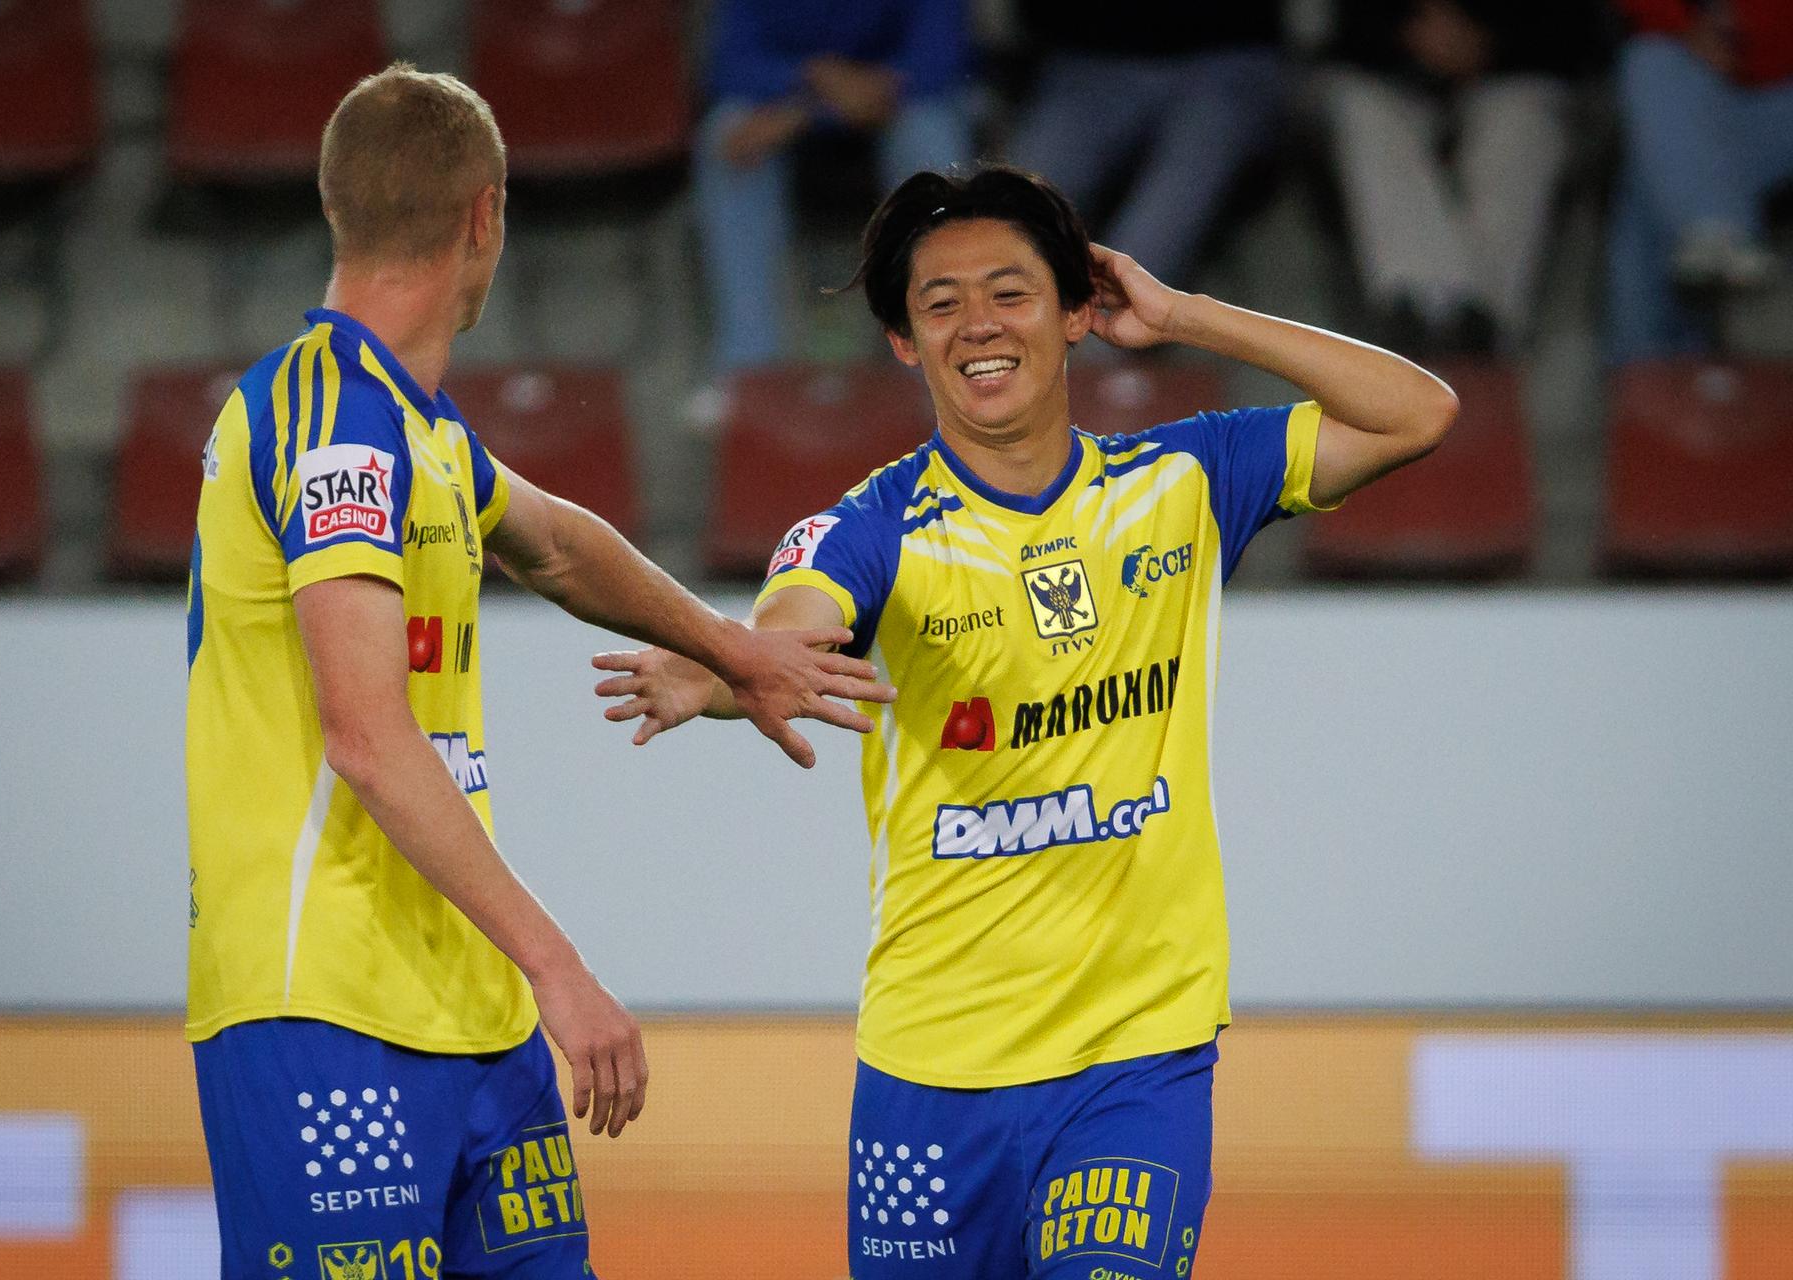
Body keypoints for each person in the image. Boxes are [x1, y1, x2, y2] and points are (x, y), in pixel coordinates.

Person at [592, 165, 1456, 1278]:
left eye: (1010, 292)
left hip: (1134, 1058)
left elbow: (1420, 411)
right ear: (904, 343)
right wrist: (728, 664)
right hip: (928, 1072)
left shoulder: (1182, 481)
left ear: (1077, 311)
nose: (977, 326)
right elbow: (797, 632)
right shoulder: (867, 527)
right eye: (939, 304)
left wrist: (1186, 314)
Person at [183, 64, 893, 1280]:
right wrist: (560, 967)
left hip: (471, 1005)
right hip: (321, 1009)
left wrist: (736, 651)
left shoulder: (423, 431)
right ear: (484, 217)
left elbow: (555, 540)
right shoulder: (333, 421)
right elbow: (364, 733)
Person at [694, 0, 972, 375]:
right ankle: (748, 368)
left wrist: (841, 95)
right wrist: (814, 86)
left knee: (933, 137)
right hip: (788, 108)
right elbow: (730, 66)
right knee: (727, 136)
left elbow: (941, 62)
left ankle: (940, 363)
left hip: (893, 105)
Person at [1323, 0, 1604, 354]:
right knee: (1365, 115)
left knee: (1519, 127)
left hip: (1517, 73)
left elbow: (1579, 32)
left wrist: (1486, 39)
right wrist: (1408, 32)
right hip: (1392, 77)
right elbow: (1337, 33)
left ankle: (1479, 321)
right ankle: (1419, 307)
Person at [1006, 0, 1286, 294]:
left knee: (1145, 254)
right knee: (1006, 218)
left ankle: (1102, 334)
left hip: (1227, 55)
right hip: (1088, 57)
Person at [1607, 0, 1793, 361]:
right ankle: (1717, 235)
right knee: (1650, 63)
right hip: (1696, 100)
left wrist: (1740, 43)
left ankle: (1715, 233)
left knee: (1649, 190)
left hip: (1778, 99)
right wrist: (1687, 29)